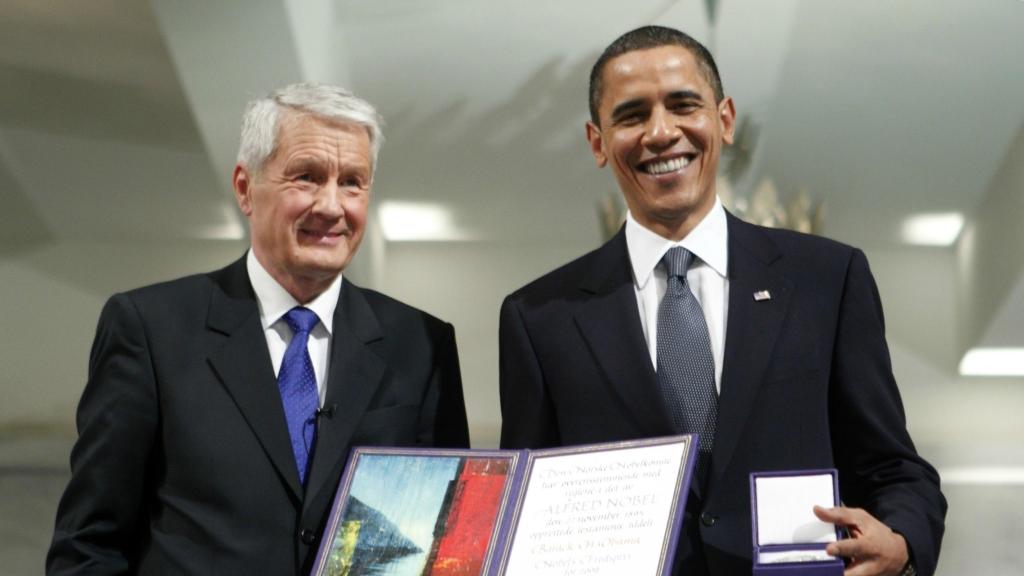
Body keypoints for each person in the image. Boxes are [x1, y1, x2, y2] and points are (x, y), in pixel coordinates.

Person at [499, 26, 945, 576]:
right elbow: (521, 508)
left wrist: (901, 540)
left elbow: (896, 469)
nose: (661, 133)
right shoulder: (539, 317)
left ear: (725, 119)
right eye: (632, 115)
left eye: (684, 105)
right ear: (597, 142)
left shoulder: (827, 279)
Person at [47, 83, 470, 575]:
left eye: (352, 182)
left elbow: (447, 549)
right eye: (307, 177)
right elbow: (88, 544)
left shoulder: (421, 344)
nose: (332, 206)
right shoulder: (150, 329)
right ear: (246, 189)